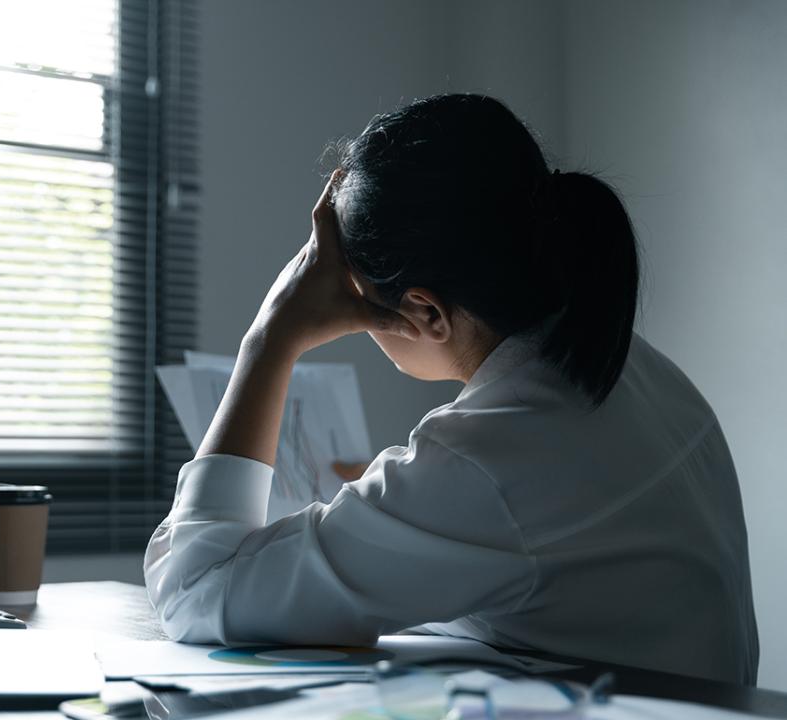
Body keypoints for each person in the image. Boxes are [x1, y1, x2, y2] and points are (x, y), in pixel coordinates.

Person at [144, 94, 759, 685]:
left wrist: (270, 336)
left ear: (426, 314)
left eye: (353, 293)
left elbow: (195, 590)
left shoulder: (495, 455)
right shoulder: (639, 373)